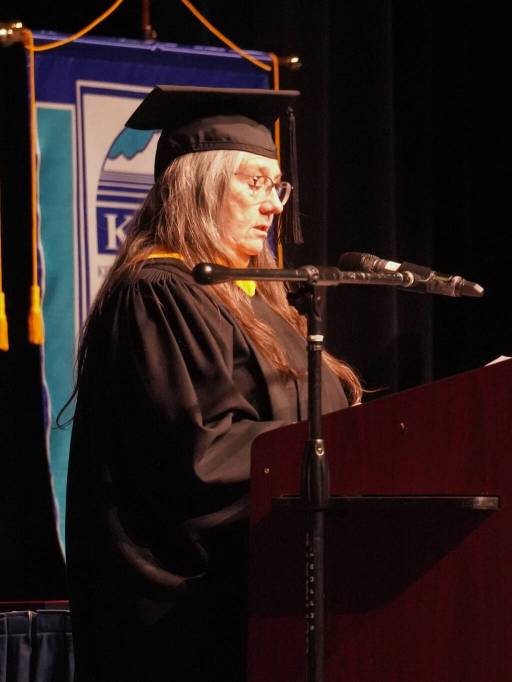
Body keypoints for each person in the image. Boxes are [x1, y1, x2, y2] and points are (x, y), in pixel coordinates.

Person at [65, 85, 361, 682]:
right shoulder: (158, 294)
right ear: (197, 186)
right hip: (185, 623)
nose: (274, 205)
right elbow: (201, 456)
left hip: (268, 599)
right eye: (253, 183)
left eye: (276, 186)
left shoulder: (264, 303)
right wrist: (346, 450)